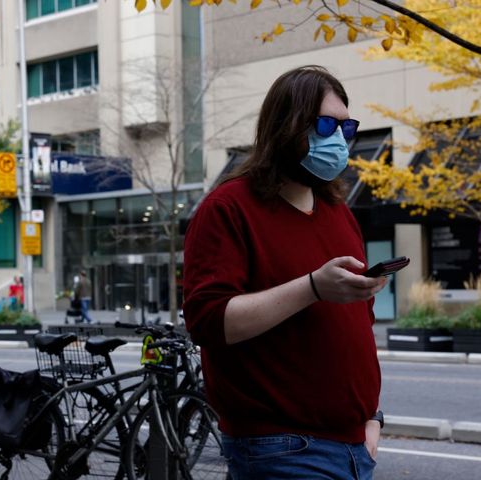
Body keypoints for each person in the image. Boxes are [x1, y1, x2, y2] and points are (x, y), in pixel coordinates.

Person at [183, 66, 388, 480]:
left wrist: (372, 418)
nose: (338, 139)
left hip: (354, 447)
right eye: (327, 124)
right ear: (286, 126)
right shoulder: (228, 209)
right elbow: (208, 321)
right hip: (282, 450)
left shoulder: (339, 213)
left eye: (346, 128)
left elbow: (356, 326)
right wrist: (313, 287)